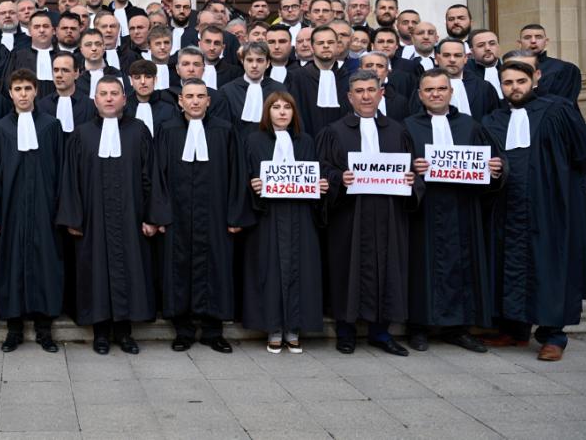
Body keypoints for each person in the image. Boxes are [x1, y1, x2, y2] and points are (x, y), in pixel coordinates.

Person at [481, 61, 586, 361]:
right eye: (507, 83)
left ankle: (552, 336)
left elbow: (584, 153)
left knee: (550, 267)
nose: (514, 88)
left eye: (520, 81)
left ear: (535, 80)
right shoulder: (494, 119)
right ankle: (513, 330)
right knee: (508, 265)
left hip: (550, 205)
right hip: (507, 206)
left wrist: (560, 187)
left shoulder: (557, 110)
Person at [58, 76, 166, 355]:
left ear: (124, 99)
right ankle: (101, 333)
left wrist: (152, 217)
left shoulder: (138, 131)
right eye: (103, 93)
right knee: (95, 272)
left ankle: (125, 333)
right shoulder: (81, 135)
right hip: (93, 219)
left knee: (129, 270)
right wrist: (73, 218)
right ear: (95, 100)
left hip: (130, 217)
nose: (108, 98)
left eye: (114, 93)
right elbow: (71, 180)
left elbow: (151, 175)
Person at [317, 70, 419, 356]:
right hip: (349, 215)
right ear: (349, 97)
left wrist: (413, 181)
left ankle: (381, 332)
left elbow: (412, 172)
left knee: (388, 269)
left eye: (371, 90)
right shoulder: (333, 132)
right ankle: (345, 331)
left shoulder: (398, 131)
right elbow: (322, 170)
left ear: (380, 93)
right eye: (359, 91)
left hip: (389, 214)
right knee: (345, 269)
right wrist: (339, 178)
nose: (365, 96)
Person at [403, 69, 504, 353]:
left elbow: (493, 164)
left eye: (441, 88)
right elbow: (398, 165)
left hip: (462, 208)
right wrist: (413, 166)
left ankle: (457, 328)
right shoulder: (408, 126)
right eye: (429, 90)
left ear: (451, 91)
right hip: (424, 208)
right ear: (420, 95)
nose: (436, 94)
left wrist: (495, 168)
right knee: (421, 265)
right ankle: (418, 327)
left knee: (461, 265)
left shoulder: (471, 126)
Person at [152, 78, 244, 353]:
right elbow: (158, 176)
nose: (194, 101)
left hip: (215, 215)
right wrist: (160, 215)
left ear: (208, 101)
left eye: (200, 96)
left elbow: (237, 174)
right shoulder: (167, 130)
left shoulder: (225, 130)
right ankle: (183, 330)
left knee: (215, 268)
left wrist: (235, 215)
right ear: (180, 101)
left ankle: (213, 331)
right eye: (189, 96)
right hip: (178, 216)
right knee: (178, 269)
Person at [0, 69, 65, 353]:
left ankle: (45, 329)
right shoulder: (0, 129)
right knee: (11, 265)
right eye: (17, 89)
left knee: (46, 264)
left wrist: (60, 210)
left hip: (44, 209)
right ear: (10, 93)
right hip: (11, 209)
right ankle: (14, 329)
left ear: (36, 92)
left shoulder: (51, 126)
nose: (22, 94)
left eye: (27, 88)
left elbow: (62, 171)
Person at [242, 92, 326, 353]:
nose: (281, 112)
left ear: (294, 112)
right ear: (267, 112)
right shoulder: (253, 141)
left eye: (287, 107)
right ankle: (273, 328)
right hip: (268, 216)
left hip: (300, 215)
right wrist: (252, 184)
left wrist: (320, 185)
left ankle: (294, 328)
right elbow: (244, 174)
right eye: (275, 107)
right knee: (270, 270)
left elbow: (313, 174)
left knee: (301, 270)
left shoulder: (306, 141)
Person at [286, 26, 349, 138]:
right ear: (312, 47)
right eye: (320, 43)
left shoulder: (348, 78)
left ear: (337, 46)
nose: (325, 46)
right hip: (307, 143)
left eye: (330, 42)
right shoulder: (296, 77)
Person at [220, 41, 286, 138]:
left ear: (268, 63)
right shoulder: (227, 91)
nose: (254, 65)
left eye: (260, 60)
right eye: (250, 60)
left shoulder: (278, 89)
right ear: (242, 61)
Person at [517, 24, 582, 104]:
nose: (533, 41)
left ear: (546, 42)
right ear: (519, 43)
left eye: (538, 37)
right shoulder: (511, 71)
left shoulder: (566, 69)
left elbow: (564, 103)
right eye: (527, 37)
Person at [37, 52, 96, 136]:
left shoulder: (90, 106)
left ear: (76, 73)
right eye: (56, 70)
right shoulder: (42, 106)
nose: (59, 75)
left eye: (65, 70)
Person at [125, 60, 178, 136]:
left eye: (148, 77)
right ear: (131, 81)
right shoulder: (123, 109)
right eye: (137, 77)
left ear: (155, 79)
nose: (143, 82)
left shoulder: (169, 110)